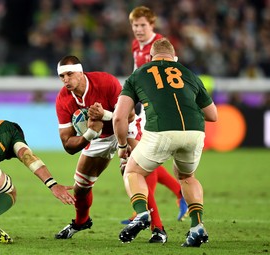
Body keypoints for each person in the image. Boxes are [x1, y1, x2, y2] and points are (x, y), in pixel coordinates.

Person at [113, 38, 217, 247]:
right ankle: (197, 226)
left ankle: (142, 214)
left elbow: (119, 117)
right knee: (187, 177)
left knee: (132, 171)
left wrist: (123, 146)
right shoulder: (189, 74)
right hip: (195, 131)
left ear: (151, 57)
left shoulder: (139, 74)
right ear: (174, 57)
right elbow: (212, 115)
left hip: (161, 131)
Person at [120, 6, 188, 243]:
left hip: (156, 111)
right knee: (142, 161)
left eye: (142, 25)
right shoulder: (135, 46)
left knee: (139, 163)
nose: (138, 30)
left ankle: (151, 221)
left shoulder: (160, 46)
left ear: (152, 25)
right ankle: (173, 198)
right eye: (135, 26)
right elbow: (136, 74)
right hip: (143, 108)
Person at [53, 55, 138, 239]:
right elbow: (68, 145)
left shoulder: (105, 81)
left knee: (133, 171)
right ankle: (81, 221)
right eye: (62, 76)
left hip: (124, 126)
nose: (66, 80)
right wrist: (90, 134)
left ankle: (154, 224)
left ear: (80, 72)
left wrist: (105, 115)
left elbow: (130, 114)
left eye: (70, 74)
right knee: (80, 188)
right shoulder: (63, 99)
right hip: (100, 136)